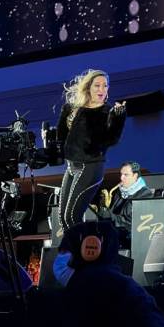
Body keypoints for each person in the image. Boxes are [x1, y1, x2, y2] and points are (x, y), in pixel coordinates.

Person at [54, 221, 164, 327]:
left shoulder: (91, 288)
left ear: (89, 250)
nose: (58, 260)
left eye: (64, 253)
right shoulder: (118, 284)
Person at [58, 69, 127, 234]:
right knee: (63, 218)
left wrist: (119, 119)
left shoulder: (107, 112)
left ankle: (83, 255)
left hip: (91, 165)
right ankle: (75, 254)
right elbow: (61, 137)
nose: (101, 90)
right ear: (88, 87)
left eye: (105, 86)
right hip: (71, 166)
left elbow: (111, 140)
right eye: (97, 85)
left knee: (72, 217)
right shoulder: (74, 109)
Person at [96, 162, 152, 247]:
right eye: (121, 174)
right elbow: (114, 214)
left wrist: (107, 215)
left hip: (130, 242)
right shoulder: (119, 193)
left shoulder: (145, 194)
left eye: (126, 175)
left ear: (135, 176)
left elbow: (131, 222)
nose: (121, 178)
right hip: (116, 237)